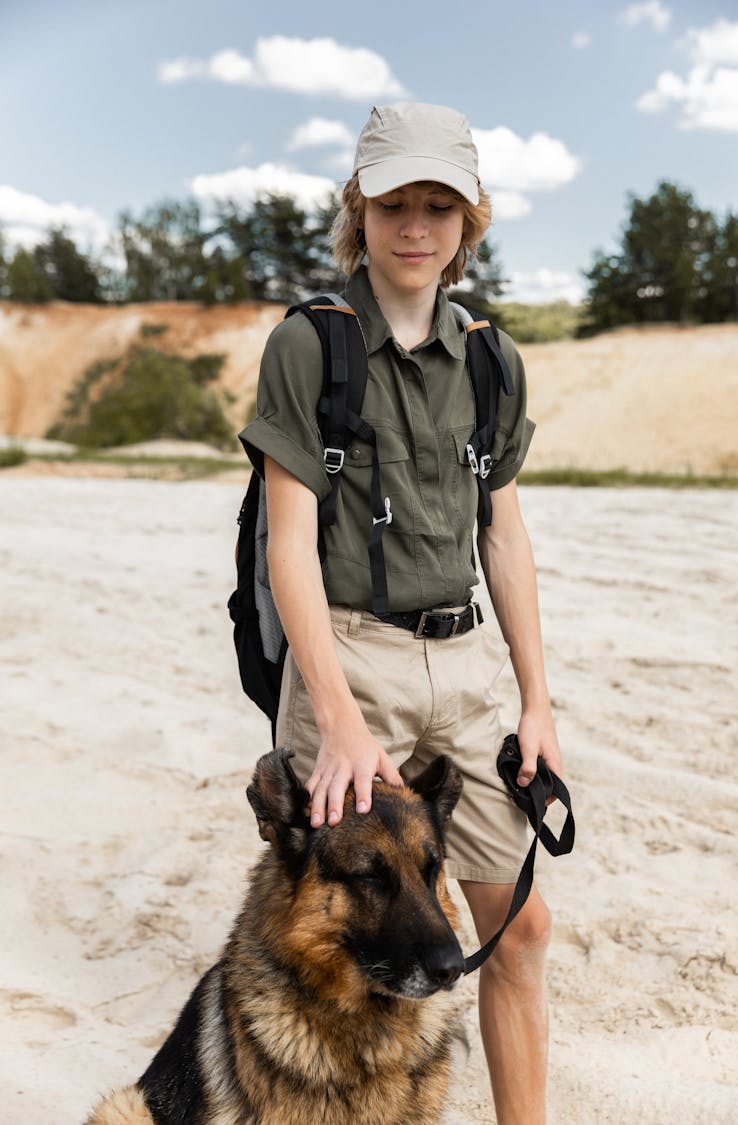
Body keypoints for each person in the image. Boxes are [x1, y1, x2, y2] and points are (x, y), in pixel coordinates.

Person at [240, 101, 562, 1125]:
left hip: (464, 666)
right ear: (359, 211)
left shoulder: (490, 360)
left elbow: (503, 540)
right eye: (393, 206)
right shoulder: (311, 348)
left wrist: (537, 703)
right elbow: (287, 543)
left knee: (518, 931)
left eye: (439, 206)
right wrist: (335, 716)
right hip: (350, 661)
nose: (415, 228)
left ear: (471, 220)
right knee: (348, 952)